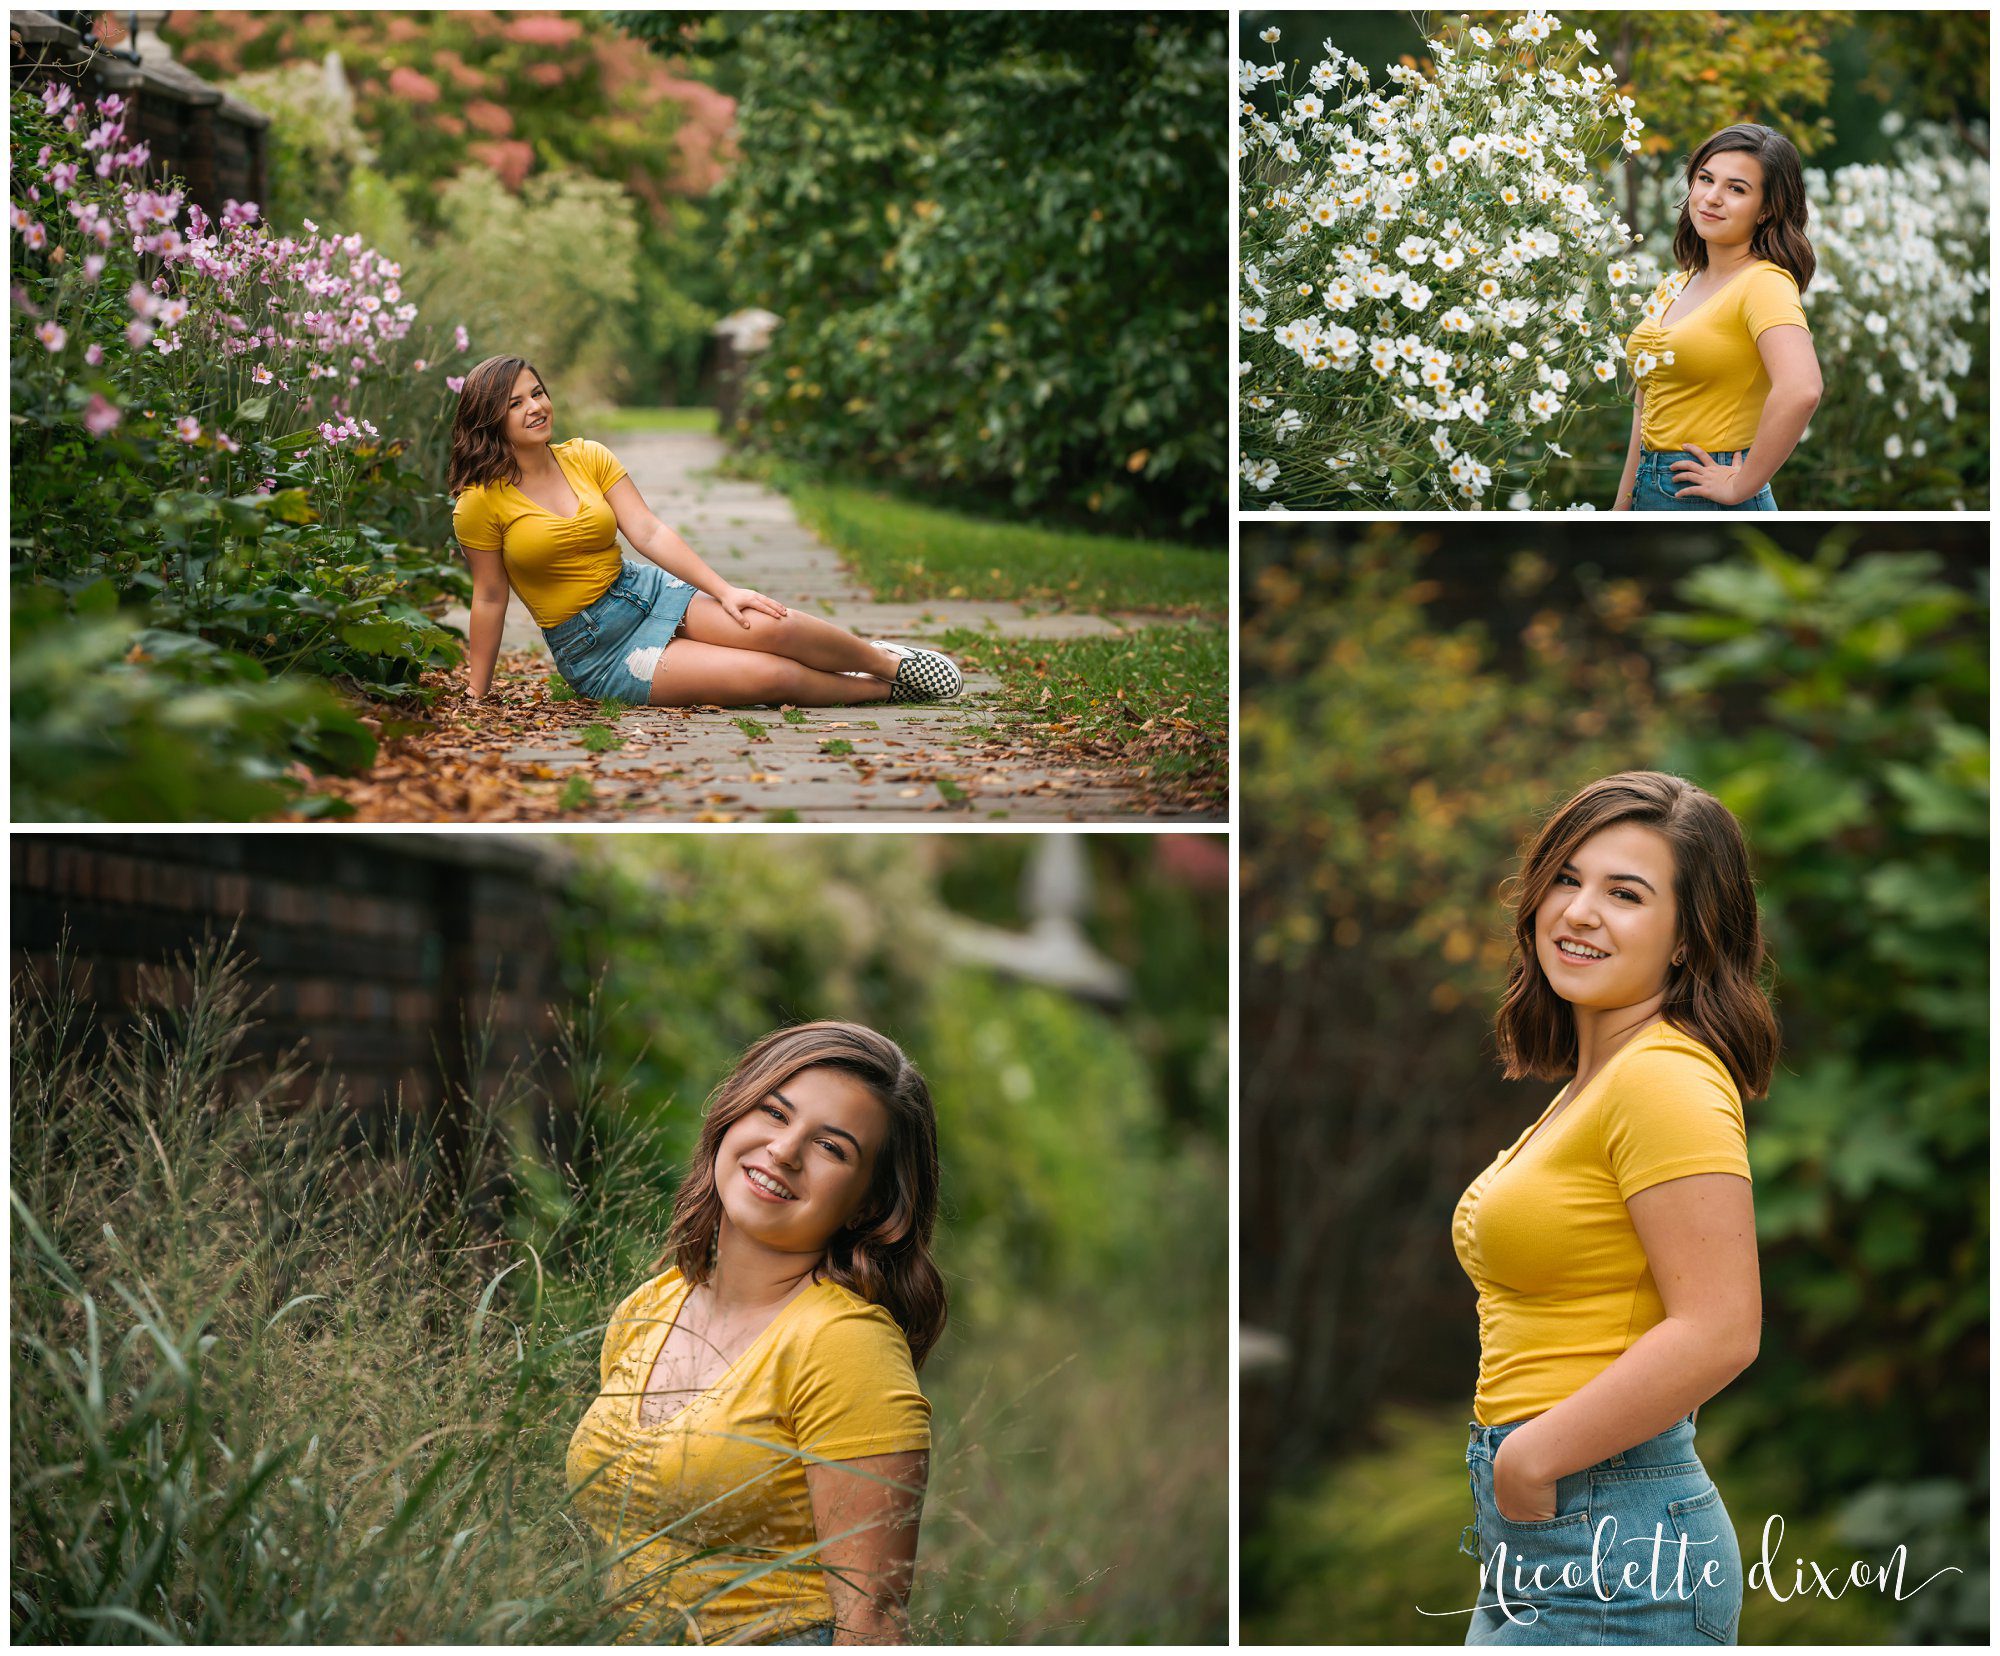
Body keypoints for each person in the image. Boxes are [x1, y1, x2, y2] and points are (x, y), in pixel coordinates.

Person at [1453, 772, 1777, 1644]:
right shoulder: (1598, 1082)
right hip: (1559, 1530)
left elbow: (1721, 1328)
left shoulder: (1665, 1079)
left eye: (1625, 894)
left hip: (1610, 1541)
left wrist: (1531, 1459)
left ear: (1687, 938)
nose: (1580, 911)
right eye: (1568, 878)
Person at [566, 1023, 947, 1646]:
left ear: (866, 1206)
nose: (784, 1150)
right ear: (732, 1113)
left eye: (832, 1148)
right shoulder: (650, 1307)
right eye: (775, 1111)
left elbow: (872, 1623)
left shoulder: (845, 1345)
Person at [448, 357, 963, 706]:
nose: (535, 407)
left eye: (537, 393)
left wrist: (725, 590)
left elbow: (647, 531)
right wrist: (478, 694)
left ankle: (887, 662)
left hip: (642, 592)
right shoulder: (479, 503)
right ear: (488, 418)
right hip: (596, 648)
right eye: (515, 403)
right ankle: (876, 690)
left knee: (771, 627)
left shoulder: (586, 456)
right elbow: (491, 597)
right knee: (770, 675)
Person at [1612, 125, 1823, 511]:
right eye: (1706, 179)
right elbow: (1647, 403)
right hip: (1650, 487)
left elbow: (1802, 389)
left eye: (1736, 189)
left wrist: (1741, 485)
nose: (1711, 197)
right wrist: (1624, 503)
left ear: (1767, 210)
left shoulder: (1764, 283)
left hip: (1708, 492)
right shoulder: (1675, 285)